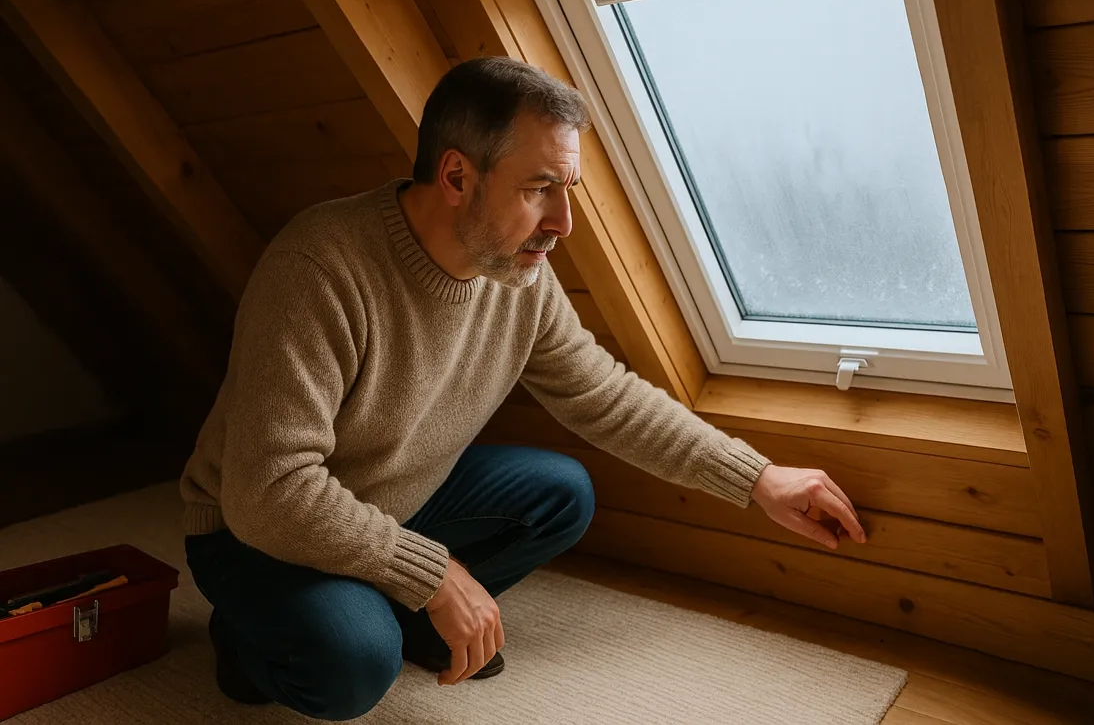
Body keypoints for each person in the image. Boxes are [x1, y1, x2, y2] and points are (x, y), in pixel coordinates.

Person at [180, 56, 866, 721]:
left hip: (391, 496)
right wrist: (434, 575)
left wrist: (757, 479)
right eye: (540, 188)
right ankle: (246, 644)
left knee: (560, 492)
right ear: (455, 174)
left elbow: (606, 397)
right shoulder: (318, 267)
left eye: (568, 188)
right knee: (352, 665)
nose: (563, 221)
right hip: (253, 531)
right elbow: (269, 490)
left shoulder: (516, 275)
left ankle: (401, 613)